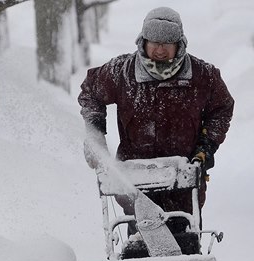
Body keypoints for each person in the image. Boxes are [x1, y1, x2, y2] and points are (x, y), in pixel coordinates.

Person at [78, 6, 234, 239]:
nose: (160, 50)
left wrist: (206, 148)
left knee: (185, 240)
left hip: (184, 177)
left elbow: (221, 109)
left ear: (179, 44)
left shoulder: (203, 76)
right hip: (134, 181)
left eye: (166, 44)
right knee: (139, 242)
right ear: (143, 42)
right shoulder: (123, 72)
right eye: (154, 43)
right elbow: (90, 92)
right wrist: (96, 135)